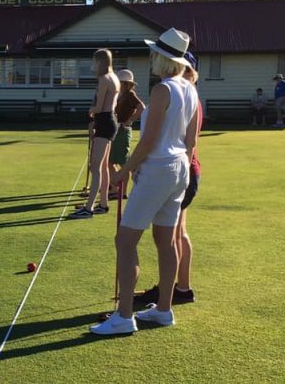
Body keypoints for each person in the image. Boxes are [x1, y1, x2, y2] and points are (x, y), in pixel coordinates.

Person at [90, 28, 198, 335]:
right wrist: (180, 170)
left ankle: (124, 317)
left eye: (154, 53)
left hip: (160, 169)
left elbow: (148, 141)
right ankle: (164, 310)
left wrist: (122, 174)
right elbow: (190, 140)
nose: (151, 57)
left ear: (162, 58)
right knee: (165, 241)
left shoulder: (163, 90)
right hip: (179, 168)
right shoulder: (190, 88)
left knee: (125, 241)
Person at [134, 52, 201, 308]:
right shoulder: (187, 94)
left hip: (175, 169)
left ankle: (172, 292)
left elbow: (186, 140)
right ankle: (175, 291)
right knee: (175, 234)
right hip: (182, 168)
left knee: (170, 236)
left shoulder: (177, 94)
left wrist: (131, 167)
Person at [71, 49, 120, 219]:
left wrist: (90, 111)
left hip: (105, 121)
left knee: (95, 167)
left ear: (100, 62)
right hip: (110, 120)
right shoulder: (115, 78)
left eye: (94, 62)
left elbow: (98, 107)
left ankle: (89, 207)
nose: (93, 66)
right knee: (104, 167)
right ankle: (103, 204)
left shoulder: (104, 79)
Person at [107, 69, 145, 200]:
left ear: (125, 83)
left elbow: (141, 107)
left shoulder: (130, 95)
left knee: (120, 162)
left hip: (123, 130)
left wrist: (130, 120)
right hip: (117, 130)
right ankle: (115, 188)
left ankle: (120, 190)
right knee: (112, 161)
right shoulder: (121, 95)